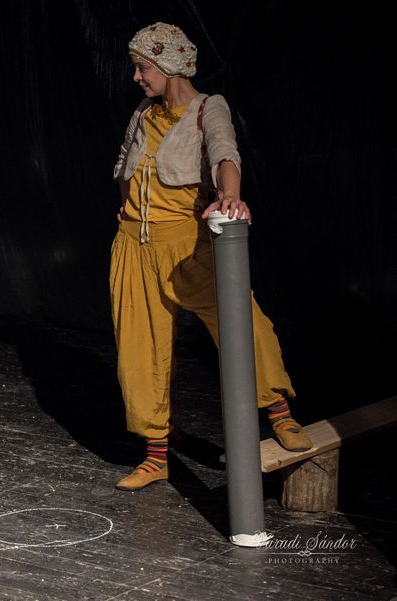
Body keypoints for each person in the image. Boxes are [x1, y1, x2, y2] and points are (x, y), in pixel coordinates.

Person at [110, 23, 310, 491]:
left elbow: (225, 154)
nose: (137, 77)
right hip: (133, 247)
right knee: (140, 350)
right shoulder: (143, 112)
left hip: (186, 245)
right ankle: (156, 455)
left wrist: (230, 196)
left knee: (243, 322)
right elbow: (124, 163)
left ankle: (279, 412)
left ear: (168, 65)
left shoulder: (207, 107)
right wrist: (127, 205)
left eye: (142, 67)